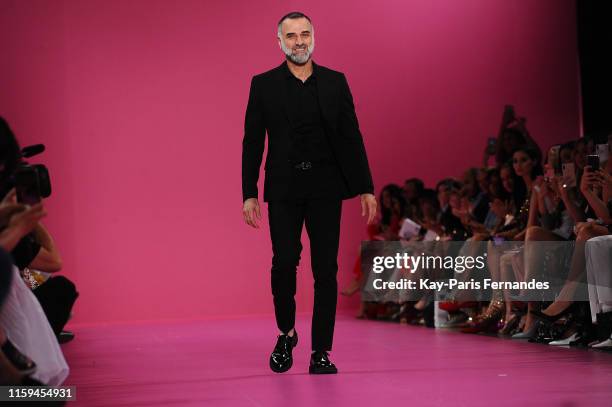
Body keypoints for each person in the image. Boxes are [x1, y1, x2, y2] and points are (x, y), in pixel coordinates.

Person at [241, 11, 376, 374]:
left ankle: (321, 351)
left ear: (313, 36)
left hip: (325, 187)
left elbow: (351, 137)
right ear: (279, 41)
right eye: (291, 36)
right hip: (283, 187)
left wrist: (365, 187)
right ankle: (286, 333)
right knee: (284, 262)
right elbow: (253, 141)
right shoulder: (263, 84)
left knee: (325, 270)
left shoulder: (335, 82)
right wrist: (248, 193)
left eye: (304, 34)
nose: (299, 41)